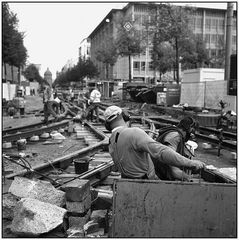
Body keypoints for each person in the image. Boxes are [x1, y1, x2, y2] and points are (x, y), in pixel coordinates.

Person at [104, 106, 205, 180]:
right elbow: (162, 152)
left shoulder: (112, 140)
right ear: (123, 116)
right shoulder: (134, 133)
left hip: (127, 181)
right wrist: (191, 163)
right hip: (146, 184)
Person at [155, 116, 198, 181]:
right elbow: (171, 162)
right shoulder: (174, 136)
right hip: (161, 175)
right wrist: (188, 177)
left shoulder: (175, 134)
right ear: (189, 129)